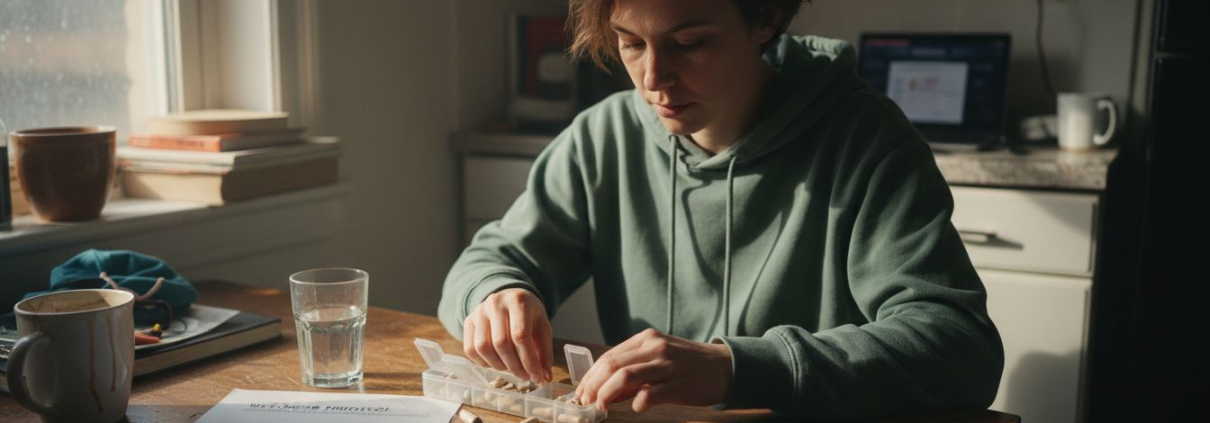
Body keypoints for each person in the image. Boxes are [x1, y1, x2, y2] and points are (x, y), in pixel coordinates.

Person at [438, 0, 1004, 419]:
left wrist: (737, 368)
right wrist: (493, 292)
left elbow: (959, 350)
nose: (653, 79)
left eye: (688, 43)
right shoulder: (601, 137)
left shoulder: (865, 139)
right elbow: (489, 259)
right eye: (631, 43)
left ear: (766, 20)